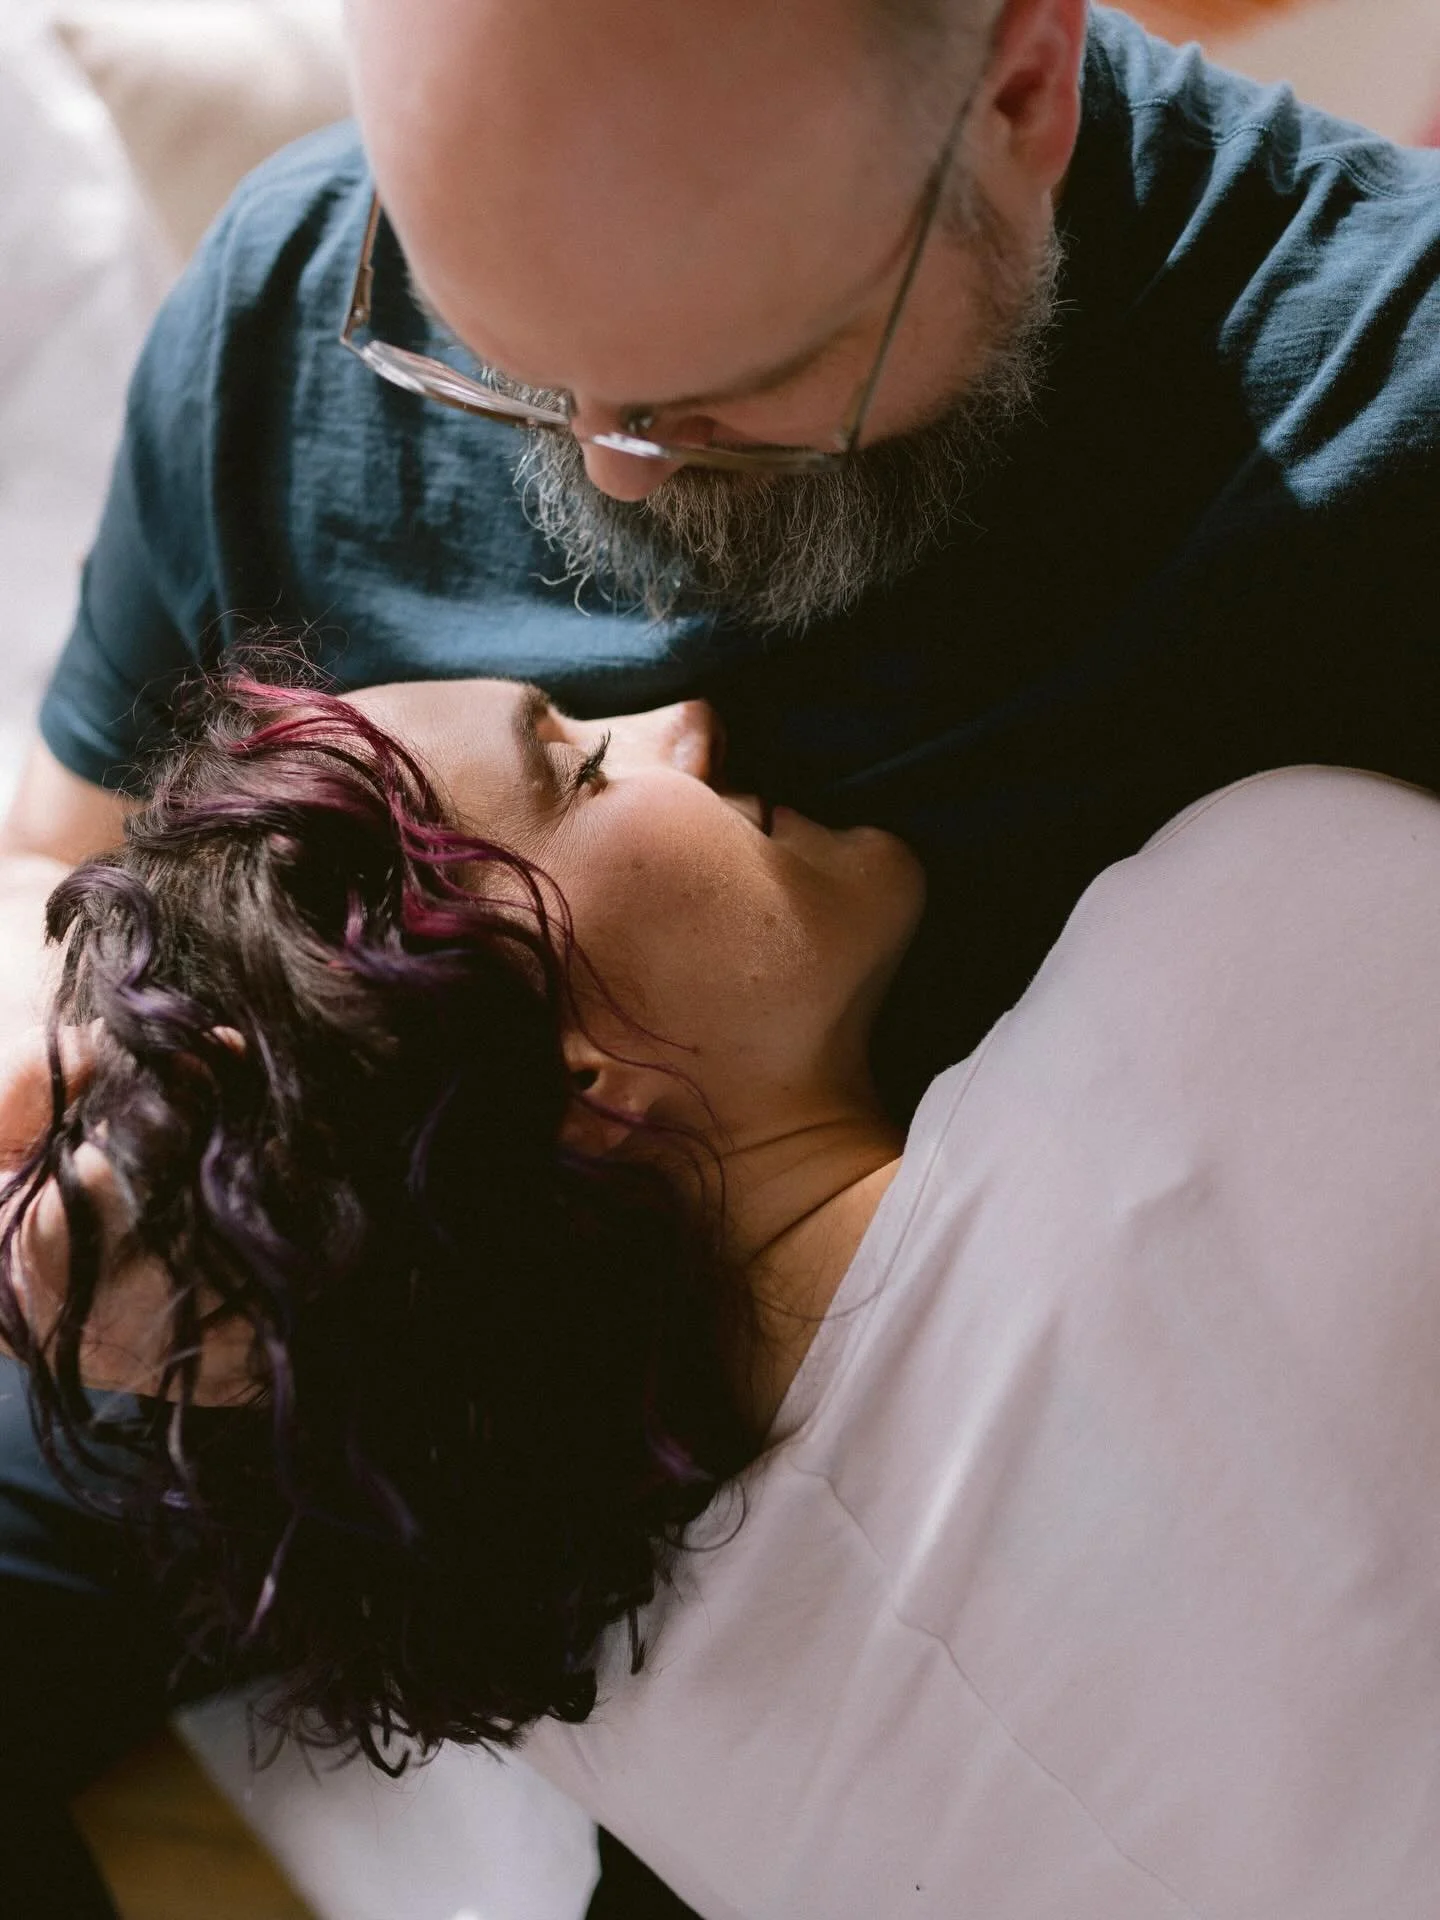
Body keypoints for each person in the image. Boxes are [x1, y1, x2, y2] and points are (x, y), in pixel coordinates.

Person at [2, 0, 1439, 1911]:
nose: (606, 480)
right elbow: (56, 848)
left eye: (720, 397)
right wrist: (79, 1118)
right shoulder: (293, 304)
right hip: (326, 1355)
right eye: (495, 367)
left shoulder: (1381, 434)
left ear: (1019, 88)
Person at [6, 670, 1440, 1919]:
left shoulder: (615, 1718)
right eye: (583, 762)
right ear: (567, 1088)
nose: (681, 718)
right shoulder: (1250, 930)